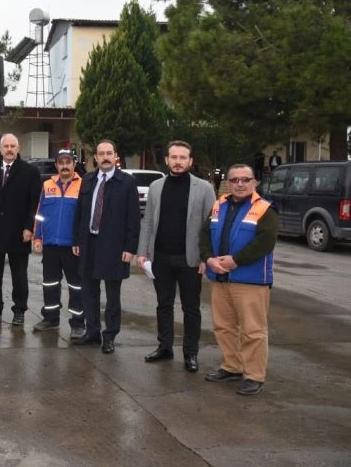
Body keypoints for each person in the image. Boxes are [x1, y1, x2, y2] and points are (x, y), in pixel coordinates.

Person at [137, 141, 216, 372]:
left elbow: (211, 225)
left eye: (183, 157)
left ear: (191, 161)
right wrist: (143, 252)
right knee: (163, 305)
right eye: (174, 157)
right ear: (167, 160)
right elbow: (148, 221)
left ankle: (190, 353)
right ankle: (165, 347)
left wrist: (206, 257)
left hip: (190, 259)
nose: (178, 161)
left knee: (191, 308)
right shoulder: (156, 186)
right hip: (161, 257)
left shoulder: (204, 188)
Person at [200, 164, 277, 396]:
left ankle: (254, 376)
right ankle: (232, 366)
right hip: (220, 277)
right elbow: (205, 234)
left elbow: (266, 242)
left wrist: (236, 261)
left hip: (250, 280)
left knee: (253, 330)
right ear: (228, 183)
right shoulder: (218, 205)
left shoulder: (265, 209)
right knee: (224, 327)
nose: (240, 184)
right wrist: (208, 259)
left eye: (245, 180)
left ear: (254, 182)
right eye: (235, 180)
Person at [72, 139, 140, 354]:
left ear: (116, 155)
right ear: (96, 157)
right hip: (89, 244)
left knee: (112, 296)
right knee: (89, 292)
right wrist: (76, 240)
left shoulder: (126, 182)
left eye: (109, 153)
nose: (105, 157)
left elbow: (133, 219)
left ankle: (109, 336)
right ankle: (92, 332)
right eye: (101, 154)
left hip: (114, 246)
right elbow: (80, 214)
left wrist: (130, 248)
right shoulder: (88, 180)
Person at [0, 133, 42, 326]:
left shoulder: (30, 172)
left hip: (19, 231)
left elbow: (34, 203)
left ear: (18, 148)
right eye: (6, 146)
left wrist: (30, 227)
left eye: (13, 146)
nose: (9, 149)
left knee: (19, 275)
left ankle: (19, 310)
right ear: (0, 149)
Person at [31, 149, 85, 339]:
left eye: (68, 162)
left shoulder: (83, 185)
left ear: (73, 164)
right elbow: (40, 213)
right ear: (56, 165)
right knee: (50, 283)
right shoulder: (47, 185)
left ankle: (78, 323)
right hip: (51, 244)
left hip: (73, 247)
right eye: (61, 162)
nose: (64, 165)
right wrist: (37, 237)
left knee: (76, 286)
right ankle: (51, 318)